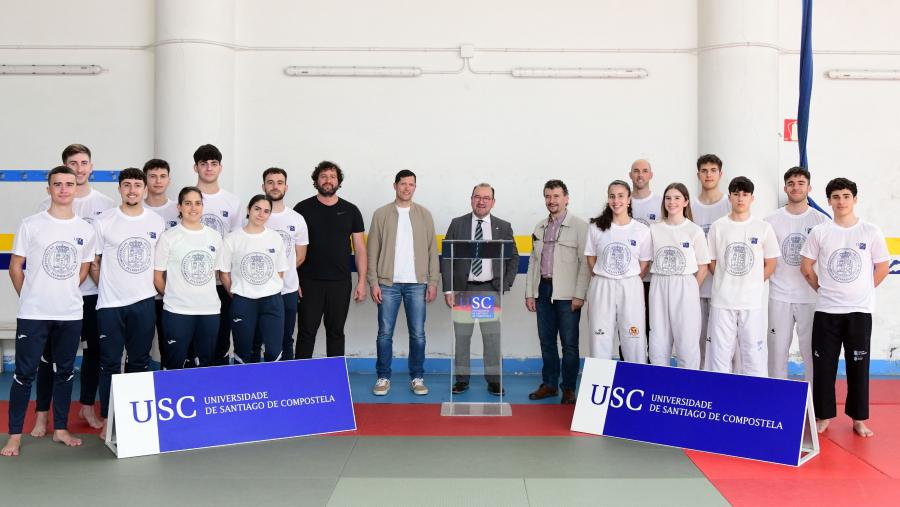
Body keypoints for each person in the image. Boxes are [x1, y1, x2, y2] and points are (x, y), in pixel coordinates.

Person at [2, 167, 95, 456]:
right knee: (24, 374)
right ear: (49, 189)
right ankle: (15, 435)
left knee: (65, 372)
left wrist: (63, 290)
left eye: (69, 184)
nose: (64, 189)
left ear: (75, 188)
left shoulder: (85, 229)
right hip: (34, 312)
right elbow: (15, 267)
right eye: (58, 184)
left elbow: (82, 269)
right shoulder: (32, 224)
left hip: (69, 313)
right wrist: (30, 295)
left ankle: (60, 429)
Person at [33, 144, 113, 436]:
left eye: (84, 163)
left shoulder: (105, 204)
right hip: (54, 299)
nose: (79, 169)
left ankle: (87, 406)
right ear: (64, 167)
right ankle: (43, 415)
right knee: (49, 358)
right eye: (73, 163)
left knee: (94, 353)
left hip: (93, 295)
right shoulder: (45, 208)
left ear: (91, 167)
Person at [800, 178, 889, 438]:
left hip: (859, 313)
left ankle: (859, 419)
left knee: (858, 366)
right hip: (827, 311)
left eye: (846, 196)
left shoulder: (870, 231)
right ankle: (823, 416)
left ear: (855, 199)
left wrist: (864, 291)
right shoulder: (821, 232)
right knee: (824, 367)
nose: (841, 201)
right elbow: (806, 267)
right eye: (836, 196)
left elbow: (882, 267)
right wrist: (823, 290)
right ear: (829, 200)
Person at [92, 168, 165, 439]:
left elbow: (160, 264)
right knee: (110, 362)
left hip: (144, 302)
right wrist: (109, 287)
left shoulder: (156, 222)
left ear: (145, 189)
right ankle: (108, 419)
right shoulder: (104, 221)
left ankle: (133, 420)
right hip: (110, 305)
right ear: (119, 189)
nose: (132, 190)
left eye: (137, 185)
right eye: (127, 185)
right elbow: (95, 264)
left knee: (139, 361)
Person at [367, 170, 440, 396]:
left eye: (411, 184)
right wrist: (373, 282)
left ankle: (417, 377)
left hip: (417, 284)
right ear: (395, 185)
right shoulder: (381, 214)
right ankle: (383, 377)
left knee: (418, 334)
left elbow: (431, 251)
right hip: (388, 284)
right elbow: (372, 251)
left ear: (415, 187)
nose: (407, 188)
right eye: (403, 184)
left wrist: (433, 281)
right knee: (384, 334)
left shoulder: (425, 215)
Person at [442, 183, 519, 396]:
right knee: (462, 337)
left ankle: (494, 380)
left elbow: (513, 256)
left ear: (493, 202)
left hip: (489, 290)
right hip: (463, 290)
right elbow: (447, 257)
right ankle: (461, 380)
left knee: (492, 338)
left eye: (486, 197)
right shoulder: (457, 224)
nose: (481, 201)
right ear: (471, 199)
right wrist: (448, 290)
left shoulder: (503, 226)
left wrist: (505, 283)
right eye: (477, 196)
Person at [705, 177, 779, 376]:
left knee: (753, 355)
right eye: (736, 194)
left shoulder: (763, 228)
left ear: (752, 198)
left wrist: (752, 282)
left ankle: (755, 400)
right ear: (729, 196)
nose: (740, 198)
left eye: (745, 194)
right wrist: (727, 279)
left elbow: (771, 263)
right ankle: (719, 399)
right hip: (722, 301)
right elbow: (711, 261)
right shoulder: (718, 227)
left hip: (751, 302)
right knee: (719, 356)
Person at [524, 180, 590, 404]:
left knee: (569, 344)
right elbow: (534, 261)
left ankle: (569, 388)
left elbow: (584, 264)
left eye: (556, 196)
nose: (551, 201)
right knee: (547, 341)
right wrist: (529, 292)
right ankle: (550, 384)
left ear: (566, 198)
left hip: (568, 293)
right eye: (548, 196)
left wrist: (580, 294)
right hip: (543, 289)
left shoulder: (581, 227)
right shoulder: (539, 227)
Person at [294, 161, 367, 358]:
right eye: (323, 176)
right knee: (306, 333)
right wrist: (294, 281)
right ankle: (299, 381)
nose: (328, 180)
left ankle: (334, 380)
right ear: (316, 181)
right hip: (309, 282)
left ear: (339, 181)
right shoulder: (302, 209)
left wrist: (361, 281)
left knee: (336, 333)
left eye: (332, 177)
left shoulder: (351, 210)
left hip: (340, 283)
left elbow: (360, 249)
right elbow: (292, 249)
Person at [764, 167, 827, 381]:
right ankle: (774, 399)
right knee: (776, 353)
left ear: (809, 188)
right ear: (785, 188)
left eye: (801, 183)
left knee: (812, 353)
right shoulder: (770, 221)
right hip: (779, 295)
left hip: (811, 298)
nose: (796, 187)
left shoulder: (821, 221)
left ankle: (814, 403)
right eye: (791, 183)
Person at [153, 187, 225, 370]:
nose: (193, 208)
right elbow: (157, 277)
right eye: (188, 203)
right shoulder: (169, 238)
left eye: (198, 203)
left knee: (204, 363)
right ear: (179, 207)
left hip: (209, 311)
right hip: (177, 312)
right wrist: (173, 295)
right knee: (175, 364)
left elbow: (215, 273)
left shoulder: (215, 237)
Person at [584, 180, 652, 363]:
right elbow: (590, 258)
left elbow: (644, 263)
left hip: (630, 286)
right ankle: (600, 384)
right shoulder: (596, 227)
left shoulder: (642, 230)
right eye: (612, 196)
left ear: (629, 199)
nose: (616, 201)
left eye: (621, 196)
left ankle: (635, 383)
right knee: (600, 339)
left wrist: (627, 278)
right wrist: (605, 275)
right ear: (608, 199)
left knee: (634, 339)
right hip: (602, 285)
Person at [648, 183, 710, 369]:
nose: (672, 202)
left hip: (685, 284)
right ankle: (660, 385)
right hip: (659, 282)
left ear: (685, 202)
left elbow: (703, 266)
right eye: (668, 198)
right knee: (658, 338)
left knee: (687, 340)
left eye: (676, 198)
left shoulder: (694, 231)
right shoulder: (654, 229)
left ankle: (688, 387)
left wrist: (690, 290)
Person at [221, 195, 288, 363]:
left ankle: (272, 387)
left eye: (266, 211)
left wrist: (267, 289)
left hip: (272, 301)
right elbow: (224, 273)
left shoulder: (275, 238)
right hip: (243, 301)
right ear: (248, 210)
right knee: (243, 351)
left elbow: (280, 272)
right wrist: (237, 294)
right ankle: (243, 387)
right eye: (257, 209)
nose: (261, 214)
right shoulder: (232, 238)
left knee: (274, 351)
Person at [192, 144, 241, 366]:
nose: (209, 168)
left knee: (221, 338)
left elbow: (237, 243)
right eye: (204, 164)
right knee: (194, 341)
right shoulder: (187, 198)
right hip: (191, 283)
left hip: (222, 283)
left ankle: (217, 390)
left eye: (213, 164)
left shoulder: (232, 201)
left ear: (220, 167)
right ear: (196, 167)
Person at [258, 167, 308, 361]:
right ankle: (257, 381)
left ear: (286, 187)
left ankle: (286, 383)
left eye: (279, 182)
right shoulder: (257, 216)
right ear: (263, 186)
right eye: (270, 182)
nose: (275, 186)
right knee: (258, 339)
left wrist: (278, 275)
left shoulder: (297, 219)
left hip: (287, 290)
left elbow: (300, 256)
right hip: (257, 291)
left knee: (286, 339)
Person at [691, 154, 732, 369]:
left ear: (720, 174)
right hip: (696, 286)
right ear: (698, 174)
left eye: (713, 170)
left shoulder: (730, 203)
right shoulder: (690, 205)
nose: (708, 175)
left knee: (724, 344)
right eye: (704, 171)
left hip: (722, 288)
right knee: (697, 341)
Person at [143, 159, 178, 368]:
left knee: (171, 347)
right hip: (141, 292)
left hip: (171, 291)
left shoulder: (178, 209)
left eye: (162, 176)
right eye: (153, 176)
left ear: (169, 179)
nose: (158, 181)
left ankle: (171, 392)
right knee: (139, 348)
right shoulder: (134, 209)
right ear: (145, 179)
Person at [628, 159, 663, 340]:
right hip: (628, 278)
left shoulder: (660, 203)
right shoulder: (622, 202)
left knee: (652, 327)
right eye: (636, 171)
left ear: (651, 175)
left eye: (644, 171)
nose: (640, 175)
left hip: (653, 278)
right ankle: (629, 363)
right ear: (630, 175)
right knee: (629, 328)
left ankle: (649, 367)